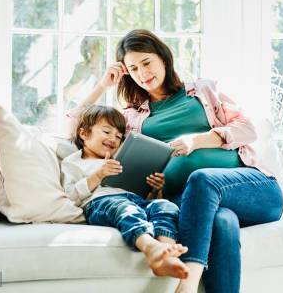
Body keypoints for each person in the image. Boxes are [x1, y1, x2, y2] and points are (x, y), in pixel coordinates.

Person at [68, 29, 283, 293]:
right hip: (190, 201)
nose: (142, 73)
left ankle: (187, 286)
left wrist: (198, 141)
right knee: (222, 222)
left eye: (146, 63)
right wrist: (103, 85)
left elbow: (247, 129)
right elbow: (74, 127)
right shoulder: (131, 118)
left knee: (203, 178)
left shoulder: (204, 90)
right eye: (133, 69)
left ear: (163, 57)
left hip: (252, 188)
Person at [61, 104, 189, 280]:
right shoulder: (74, 162)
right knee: (125, 208)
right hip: (102, 202)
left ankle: (167, 253)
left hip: (133, 200)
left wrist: (155, 190)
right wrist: (98, 175)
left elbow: (140, 196)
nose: (113, 138)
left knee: (165, 205)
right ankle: (150, 247)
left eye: (119, 136)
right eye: (106, 132)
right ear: (84, 134)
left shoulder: (120, 161)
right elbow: (71, 195)